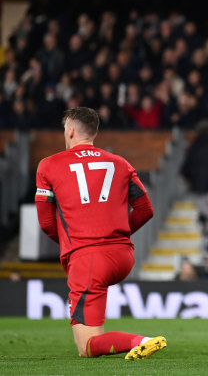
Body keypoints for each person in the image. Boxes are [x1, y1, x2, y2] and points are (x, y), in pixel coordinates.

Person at [35, 107, 166, 360]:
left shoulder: (48, 166)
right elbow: (145, 210)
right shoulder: (120, 163)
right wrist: (118, 235)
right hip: (122, 256)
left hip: (88, 258)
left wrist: (72, 245)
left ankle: (142, 341)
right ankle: (134, 340)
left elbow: (46, 222)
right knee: (93, 336)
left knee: (86, 347)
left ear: (70, 130)